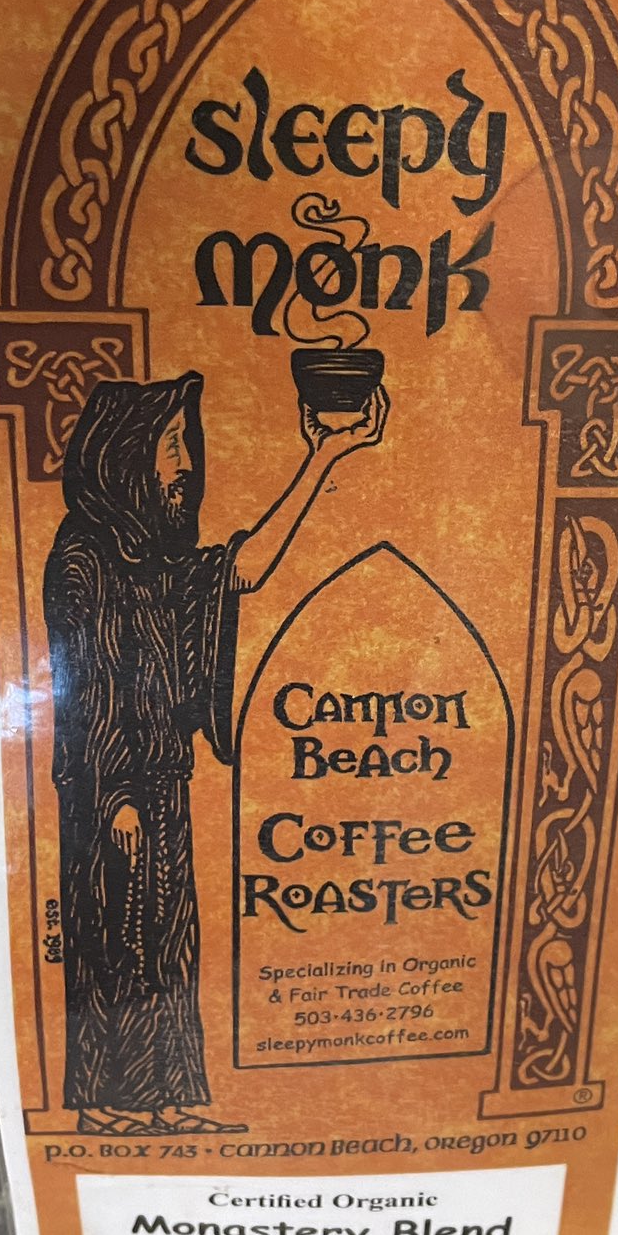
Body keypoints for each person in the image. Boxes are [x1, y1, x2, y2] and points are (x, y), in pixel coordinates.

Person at [44, 369, 387, 1135]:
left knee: (168, 939)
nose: (184, 464)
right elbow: (87, 685)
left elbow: (242, 568)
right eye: (169, 445)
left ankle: (162, 1099)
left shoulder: (155, 559)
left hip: (162, 779)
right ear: (126, 452)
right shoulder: (86, 555)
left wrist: (325, 456)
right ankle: (105, 1105)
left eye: (185, 445)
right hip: (109, 788)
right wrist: (116, 797)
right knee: (116, 934)